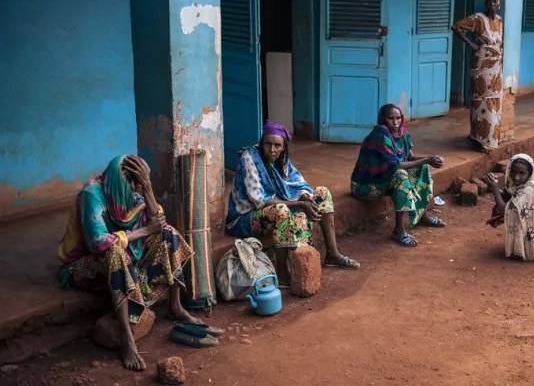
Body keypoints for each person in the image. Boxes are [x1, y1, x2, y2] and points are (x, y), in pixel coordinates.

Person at [58, 155, 202, 371]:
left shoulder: (134, 191)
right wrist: (143, 231)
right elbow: (98, 242)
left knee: (168, 233)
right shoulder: (92, 194)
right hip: (82, 265)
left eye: (138, 185)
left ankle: (175, 306)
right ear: (117, 182)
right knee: (116, 253)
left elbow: (158, 221)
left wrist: (148, 187)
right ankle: (126, 336)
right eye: (131, 185)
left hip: (125, 254)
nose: (134, 192)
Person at [225, 121, 360, 285]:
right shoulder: (250, 159)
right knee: (281, 210)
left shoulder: (281, 159)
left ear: (283, 147)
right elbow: (261, 200)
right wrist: (299, 205)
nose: (272, 150)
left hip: (273, 205)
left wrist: (304, 197)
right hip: (245, 219)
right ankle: (282, 272)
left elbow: (296, 182)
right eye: (268, 144)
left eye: (277, 145)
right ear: (262, 143)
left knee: (322, 193)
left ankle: (332, 254)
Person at [350, 104, 447, 247]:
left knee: (423, 167)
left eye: (398, 118)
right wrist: (427, 159)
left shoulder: (402, 133)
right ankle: (398, 231)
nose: (395, 123)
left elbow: (409, 158)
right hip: (366, 185)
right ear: (383, 119)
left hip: (385, 179)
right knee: (400, 175)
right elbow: (397, 166)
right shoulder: (380, 135)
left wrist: (429, 159)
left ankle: (422, 215)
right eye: (391, 119)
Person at [451, 0, 504, 153]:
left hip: (496, 69)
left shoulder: (500, 21)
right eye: (492, 1)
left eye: (497, 2)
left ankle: (490, 138)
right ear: (487, 2)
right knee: (480, 102)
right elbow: (456, 27)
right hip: (481, 68)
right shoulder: (478, 19)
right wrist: (471, 44)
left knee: (495, 101)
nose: (495, 4)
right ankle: (477, 139)